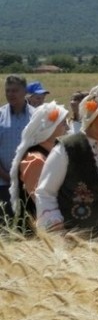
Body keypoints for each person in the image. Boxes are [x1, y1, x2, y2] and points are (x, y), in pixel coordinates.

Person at [35, 83, 98, 243]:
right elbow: (45, 192)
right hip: (73, 242)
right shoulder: (68, 148)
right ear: (94, 113)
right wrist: (56, 231)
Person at [9, 102, 68, 233]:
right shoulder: (36, 159)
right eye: (63, 122)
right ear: (50, 127)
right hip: (39, 229)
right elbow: (40, 199)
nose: (67, 126)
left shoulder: (54, 152)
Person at [0, 75, 34, 218]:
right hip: (3, 182)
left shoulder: (36, 116)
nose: (10, 94)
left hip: (31, 183)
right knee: (5, 226)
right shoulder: (0, 115)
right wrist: (6, 175)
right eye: (7, 91)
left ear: (25, 91)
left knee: (28, 226)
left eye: (14, 90)